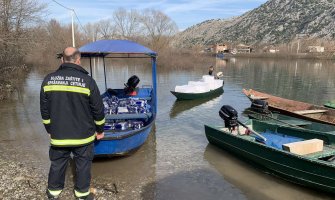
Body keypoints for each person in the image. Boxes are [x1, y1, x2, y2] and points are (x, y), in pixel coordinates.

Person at [40, 47, 105, 200]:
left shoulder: (48, 79)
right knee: (82, 165)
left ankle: (53, 193)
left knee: (57, 163)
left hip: (59, 135)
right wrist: (100, 129)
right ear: (78, 60)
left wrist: (49, 128)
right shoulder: (88, 81)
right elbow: (98, 110)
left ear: (62, 60)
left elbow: (44, 110)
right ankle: (82, 194)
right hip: (83, 136)